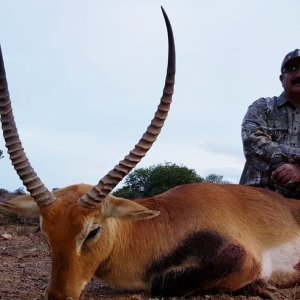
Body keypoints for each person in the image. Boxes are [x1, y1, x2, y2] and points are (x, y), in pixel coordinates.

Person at [240, 49, 300, 199]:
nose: (298, 74)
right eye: (292, 69)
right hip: (255, 197)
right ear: (281, 78)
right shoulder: (262, 106)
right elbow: (252, 142)